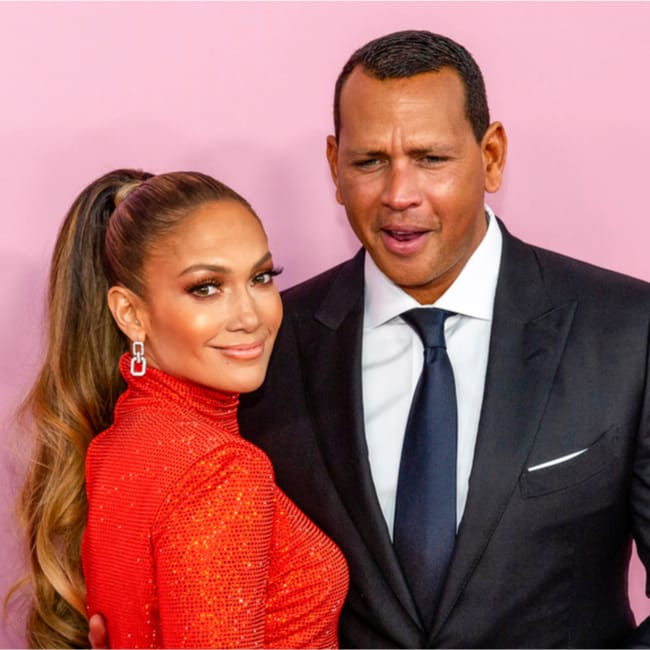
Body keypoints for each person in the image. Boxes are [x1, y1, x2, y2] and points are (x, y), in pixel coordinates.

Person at [90, 30, 650, 648]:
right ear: (334, 166)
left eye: (430, 158)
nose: (399, 195)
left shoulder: (629, 330)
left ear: (491, 156)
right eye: (369, 162)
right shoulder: (259, 351)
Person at [14, 169, 348, 648]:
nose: (250, 316)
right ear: (130, 313)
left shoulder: (113, 445)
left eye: (261, 278)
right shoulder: (222, 471)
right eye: (206, 287)